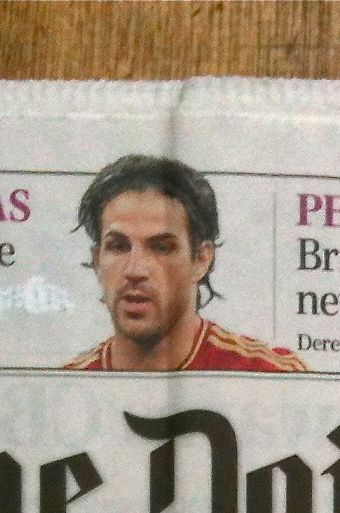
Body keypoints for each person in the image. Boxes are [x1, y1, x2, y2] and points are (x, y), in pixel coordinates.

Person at [64, 155, 305, 373]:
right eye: (118, 246)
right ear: (97, 261)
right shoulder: (68, 383)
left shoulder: (271, 374)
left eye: (161, 248)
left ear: (202, 259)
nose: (135, 270)